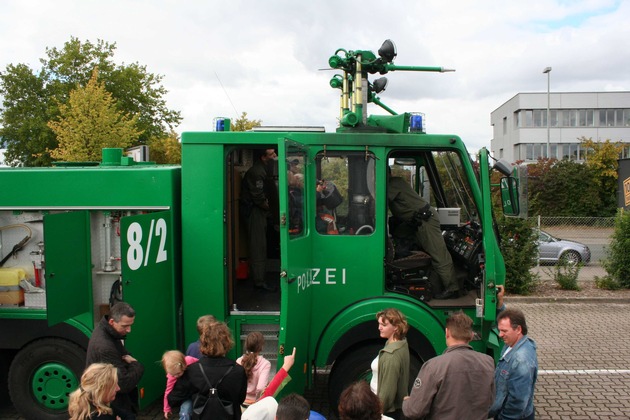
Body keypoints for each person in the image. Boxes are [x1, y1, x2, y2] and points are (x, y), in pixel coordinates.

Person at [402, 312, 495, 420]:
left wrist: (406, 402)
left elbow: (414, 411)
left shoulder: (433, 366)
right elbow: (491, 403)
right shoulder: (488, 362)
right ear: (471, 335)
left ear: (447, 333)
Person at [386, 169, 459, 299]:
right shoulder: (391, 183)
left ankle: (452, 289)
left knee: (439, 254)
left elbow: (378, 202)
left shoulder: (393, 183)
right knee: (397, 234)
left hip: (425, 221)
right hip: (413, 222)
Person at [168, 321, 247, 419]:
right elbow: (240, 399)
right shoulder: (238, 371)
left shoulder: (192, 371)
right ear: (227, 342)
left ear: (203, 343)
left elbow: (173, 399)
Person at [85, 301, 144, 420]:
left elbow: (124, 355)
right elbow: (124, 384)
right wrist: (137, 365)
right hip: (114, 403)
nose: (129, 330)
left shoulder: (107, 332)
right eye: (125, 326)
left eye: (130, 325)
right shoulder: (105, 347)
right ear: (112, 322)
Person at [489, 308, 538, 420]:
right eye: (499, 330)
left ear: (518, 329)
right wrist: (501, 306)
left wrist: (504, 417)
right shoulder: (512, 343)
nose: (500, 335)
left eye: (504, 331)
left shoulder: (521, 360)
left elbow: (518, 400)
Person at [240, 148, 278, 292]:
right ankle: (259, 282)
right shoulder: (257, 172)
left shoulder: (264, 170)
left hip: (260, 211)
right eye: (271, 154)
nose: (275, 156)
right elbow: (259, 199)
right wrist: (273, 210)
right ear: (263, 157)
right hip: (254, 212)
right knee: (258, 246)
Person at [370, 308, 410, 420]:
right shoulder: (401, 343)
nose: (379, 327)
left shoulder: (391, 356)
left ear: (396, 327)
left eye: (384, 324)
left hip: (387, 412)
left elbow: (387, 395)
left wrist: (376, 414)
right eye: (379, 324)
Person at [236, 331, 272, 406]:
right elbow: (260, 388)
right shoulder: (265, 364)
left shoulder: (239, 361)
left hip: (240, 402)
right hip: (254, 403)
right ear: (261, 347)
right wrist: (257, 400)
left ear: (246, 345)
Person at [161, 350, 199, 419]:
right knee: (186, 410)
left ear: (183, 366)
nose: (176, 376)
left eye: (178, 373)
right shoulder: (171, 377)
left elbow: (201, 365)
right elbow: (167, 392)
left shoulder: (190, 360)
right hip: (185, 395)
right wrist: (166, 409)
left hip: (197, 390)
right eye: (173, 374)